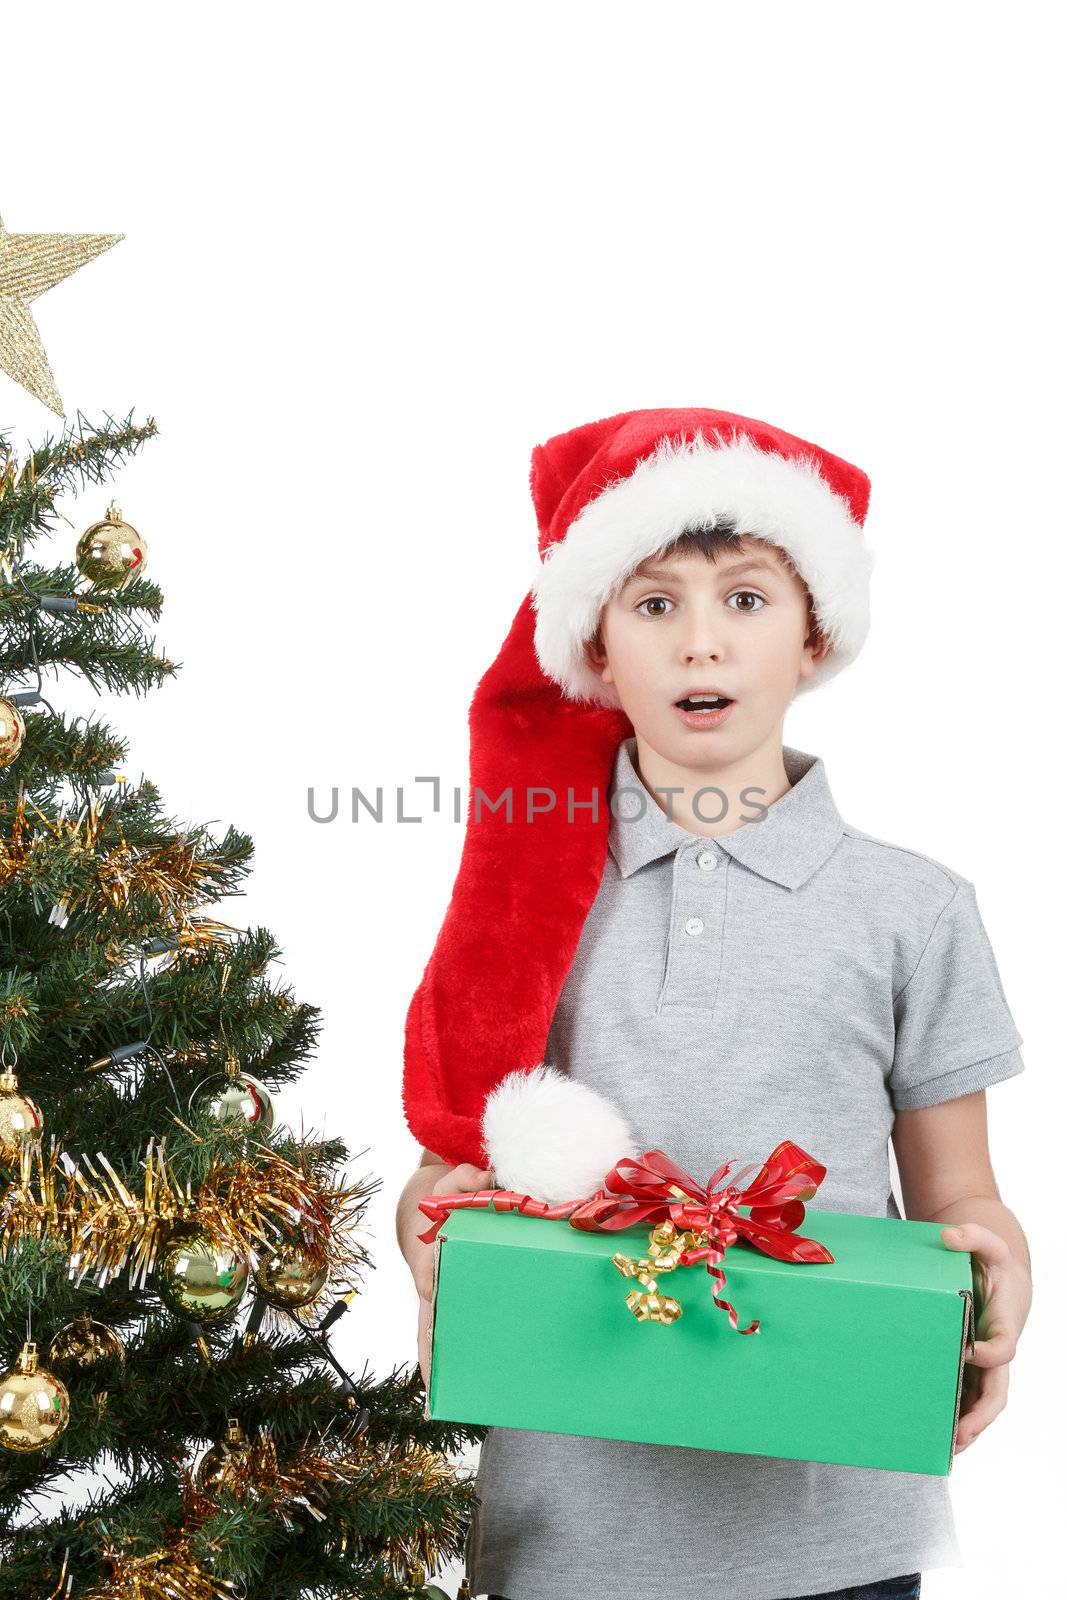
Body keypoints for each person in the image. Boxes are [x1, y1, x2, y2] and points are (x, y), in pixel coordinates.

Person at [394, 408, 1033, 1600]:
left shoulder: (916, 909)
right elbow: (447, 1171)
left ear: (812, 636)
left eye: (744, 599)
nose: (700, 646)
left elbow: (959, 1196)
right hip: (564, 1537)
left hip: (832, 1526)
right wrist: (428, 1229)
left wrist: (999, 1276)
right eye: (653, 605)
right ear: (593, 644)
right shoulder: (520, 899)